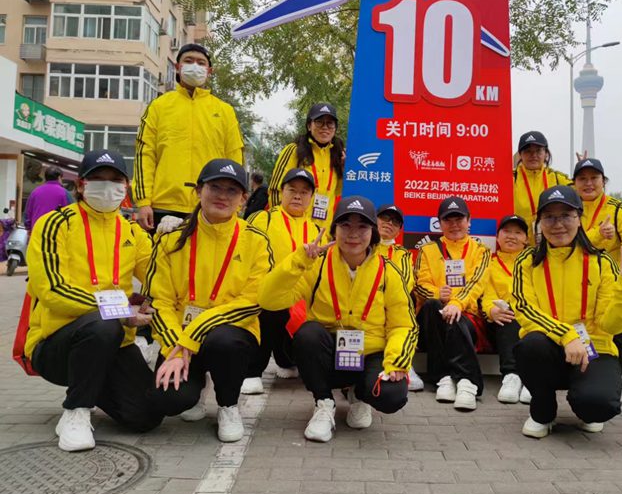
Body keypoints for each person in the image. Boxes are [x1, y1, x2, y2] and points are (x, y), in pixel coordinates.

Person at [23, 150, 159, 452]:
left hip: (115, 341)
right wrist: (120, 311)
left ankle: (91, 383)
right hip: (57, 343)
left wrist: (177, 241)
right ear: (81, 185)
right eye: (98, 178)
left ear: (125, 187)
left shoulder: (132, 232)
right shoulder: (54, 224)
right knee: (104, 324)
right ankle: (76, 411)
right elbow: (52, 290)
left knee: (146, 415)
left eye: (115, 180)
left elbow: (159, 278)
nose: (107, 186)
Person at [259, 196, 418, 443]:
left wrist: (397, 359)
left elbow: (404, 324)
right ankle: (324, 403)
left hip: (370, 352)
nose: (353, 234)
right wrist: (298, 261)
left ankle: (360, 396)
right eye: (345, 225)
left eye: (362, 226)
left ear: (373, 233)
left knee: (392, 395)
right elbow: (269, 300)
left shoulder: (389, 271)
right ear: (334, 230)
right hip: (330, 352)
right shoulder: (316, 265)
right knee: (307, 334)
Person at [143, 159, 270, 443]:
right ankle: (197, 385)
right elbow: (159, 302)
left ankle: (228, 404)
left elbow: (253, 301)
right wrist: (176, 348)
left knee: (224, 342)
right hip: (179, 335)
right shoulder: (171, 239)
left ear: (243, 199)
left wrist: (193, 334)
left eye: (232, 190)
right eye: (215, 187)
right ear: (199, 190)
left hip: (230, 333)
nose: (223, 196)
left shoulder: (256, 241)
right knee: (168, 399)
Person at [511, 185, 622, 438]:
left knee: (599, 406)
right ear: (539, 223)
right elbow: (524, 307)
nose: (558, 224)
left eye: (566, 216)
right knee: (530, 345)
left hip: (594, 349)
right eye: (549, 217)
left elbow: (611, 324)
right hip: (549, 346)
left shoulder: (602, 262)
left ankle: (584, 400)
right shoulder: (527, 261)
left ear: (579, 219)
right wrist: (567, 335)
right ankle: (543, 411)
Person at [133, 43, 245, 232]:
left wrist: (236, 204)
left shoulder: (225, 111)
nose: (195, 66)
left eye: (201, 63)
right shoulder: (158, 106)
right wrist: (143, 202)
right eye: (189, 61)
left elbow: (235, 159)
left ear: (209, 71)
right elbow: (145, 155)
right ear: (178, 67)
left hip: (210, 206)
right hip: (163, 205)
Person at [241, 168, 321, 391]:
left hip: (302, 302)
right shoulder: (263, 219)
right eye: (292, 190)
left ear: (311, 197)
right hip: (267, 298)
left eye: (304, 192)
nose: (297, 196)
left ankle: (287, 360)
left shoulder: (317, 230)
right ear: (281, 192)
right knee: (269, 310)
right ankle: (253, 371)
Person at [572, 157, 622, 369]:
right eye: (582, 179)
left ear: (603, 181)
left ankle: (613, 379)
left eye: (594, 178)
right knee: (580, 331)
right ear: (574, 183)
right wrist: (598, 234)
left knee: (615, 334)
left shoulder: (617, 209)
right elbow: (568, 244)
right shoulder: (569, 208)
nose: (589, 183)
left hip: (613, 283)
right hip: (578, 282)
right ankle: (583, 376)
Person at [414, 196, 491, 411]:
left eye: (459, 219)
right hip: (432, 318)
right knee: (432, 306)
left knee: (455, 319)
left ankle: (465, 382)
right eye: (448, 220)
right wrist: (438, 294)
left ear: (469, 221)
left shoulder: (481, 251)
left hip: (467, 317)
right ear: (439, 223)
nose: (454, 224)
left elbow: (477, 283)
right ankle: (446, 379)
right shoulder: (427, 250)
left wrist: (456, 303)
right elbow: (419, 285)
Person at [268, 103, 344, 233]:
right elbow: (275, 190)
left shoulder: (338, 154)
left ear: (335, 128)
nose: (325, 127)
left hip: (322, 232)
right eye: (319, 122)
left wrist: (343, 170)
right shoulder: (294, 150)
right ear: (309, 125)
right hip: (293, 227)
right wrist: (281, 223)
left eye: (330, 123)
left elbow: (337, 193)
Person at [481, 215, 531, 404]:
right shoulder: (489, 263)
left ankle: (532, 378)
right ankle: (512, 376)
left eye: (518, 232)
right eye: (507, 231)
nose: (511, 236)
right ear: (498, 237)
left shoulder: (534, 262)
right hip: (503, 322)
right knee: (506, 311)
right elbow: (487, 295)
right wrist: (491, 311)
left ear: (526, 239)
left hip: (532, 319)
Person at [374, 203, 423, 391]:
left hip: (390, 302)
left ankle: (404, 363)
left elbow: (406, 282)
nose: (389, 223)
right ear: (375, 220)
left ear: (399, 230)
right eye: (385, 218)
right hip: (364, 301)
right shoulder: (364, 246)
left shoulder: (403, 254)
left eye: (395, 222)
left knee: (404, 304)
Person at [513, 131, 571, 241]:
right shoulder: (510, 179)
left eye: (538, 151)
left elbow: (585, 194)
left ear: (546, 154)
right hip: (518, 243)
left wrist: (581, 171)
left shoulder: (558, 179)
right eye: (528, 151)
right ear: (520, 154)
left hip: (551, 243)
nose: (533, 155)